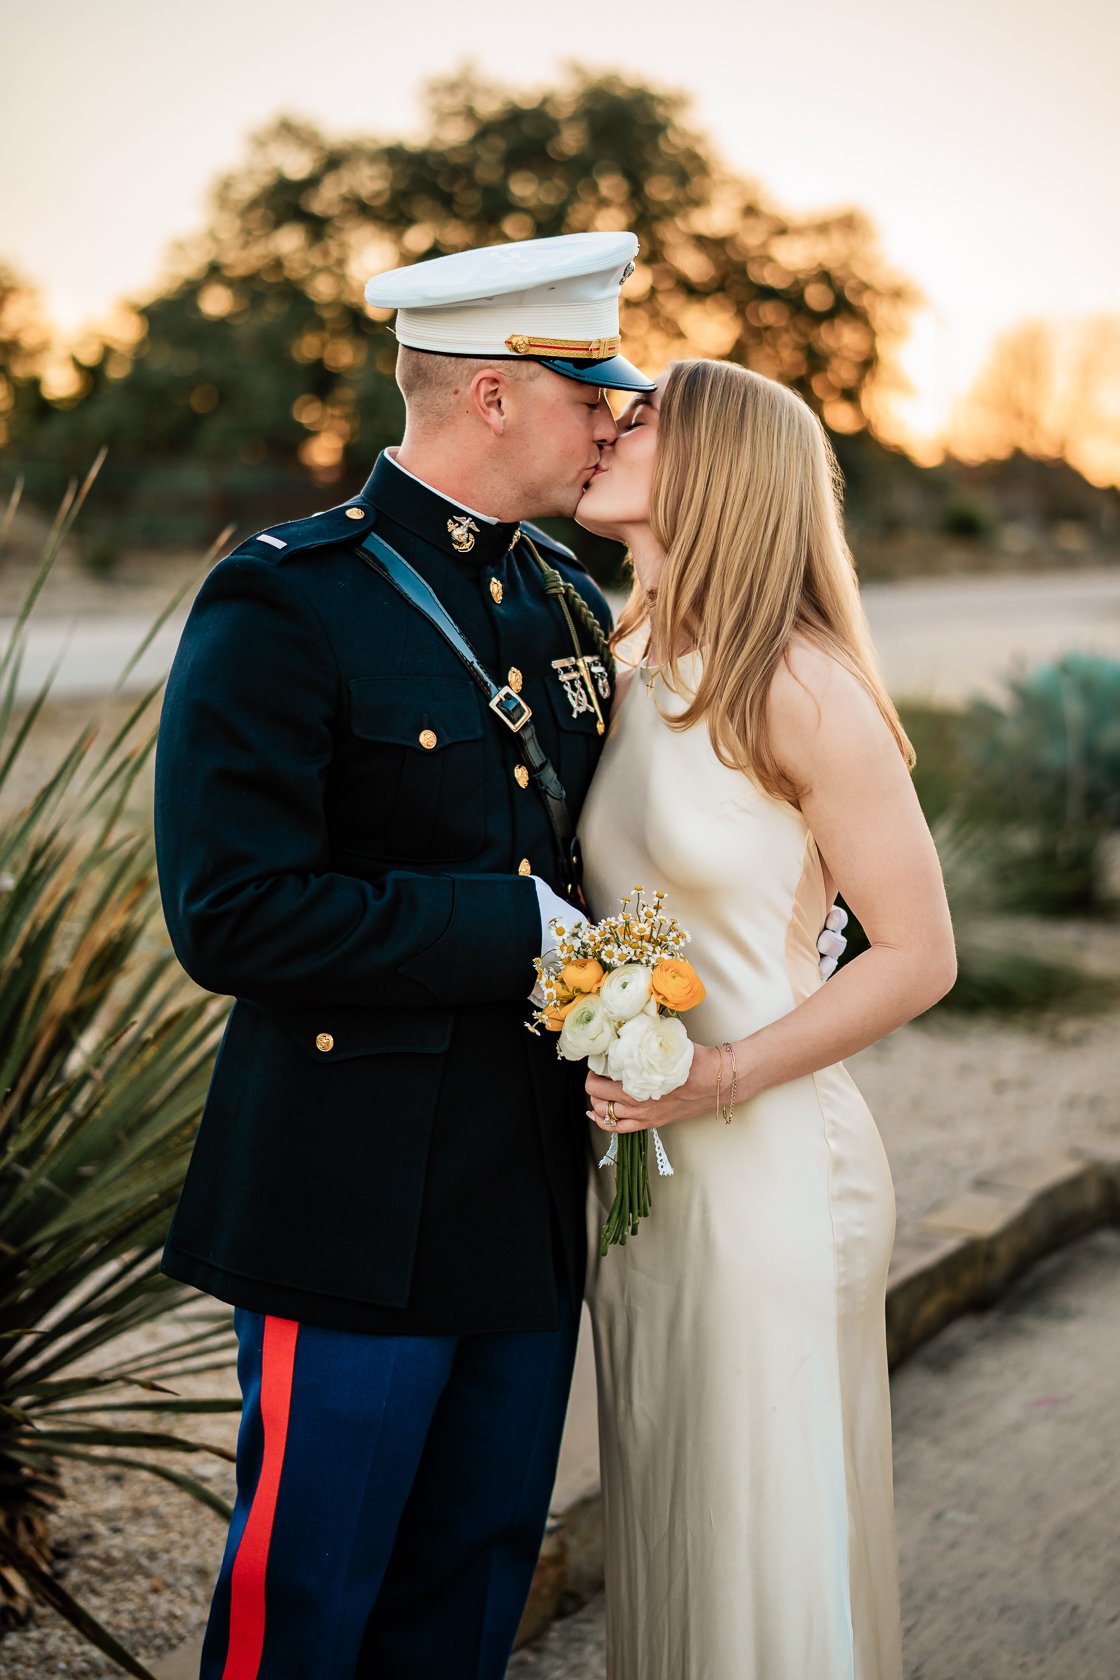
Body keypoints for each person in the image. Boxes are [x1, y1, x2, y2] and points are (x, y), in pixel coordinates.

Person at [153, 232, 655, 1680]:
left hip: (524, 1187)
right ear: (494, 394)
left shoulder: (566, 598)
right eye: (589, 392)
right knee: (313, 1593)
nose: (614, 420)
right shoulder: (288, 598)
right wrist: (515, 930)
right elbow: (232, 913)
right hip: (355, 1195)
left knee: (475, 1582)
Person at [575, 359, 957, 1680]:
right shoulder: (619, 654)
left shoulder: (797, 685)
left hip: (773, 1172)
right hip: (643, 1178)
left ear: (716, 469)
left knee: (764, 1543)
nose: (604, 431)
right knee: (673, 1525)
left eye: (638, 421)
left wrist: (719, 1073)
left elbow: (918, 955)